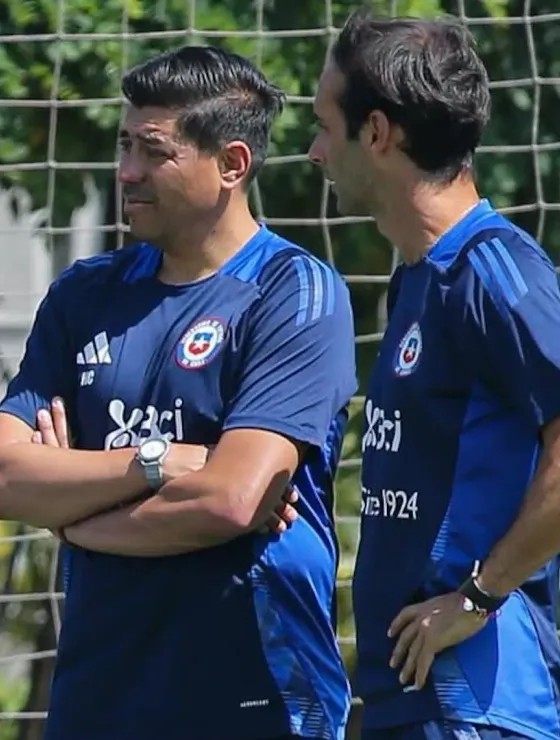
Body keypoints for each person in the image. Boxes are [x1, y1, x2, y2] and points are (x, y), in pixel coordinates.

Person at [0, 45, 357, 740]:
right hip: (101, 697)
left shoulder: (294, 292)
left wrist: (77, 518)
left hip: (253, 696)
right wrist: (154, 463)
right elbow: (0, 481)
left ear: (233, 165)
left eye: (154, 152)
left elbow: (232, 499)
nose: (127, 172)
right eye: (125, 145)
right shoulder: (83, 294)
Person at [310, 9, 560, 740]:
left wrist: (479, 596)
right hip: (416, 695)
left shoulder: (495, 270)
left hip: (480, 700)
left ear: (379, 133)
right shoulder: (421, 279)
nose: (317, 153)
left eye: (327, 126)